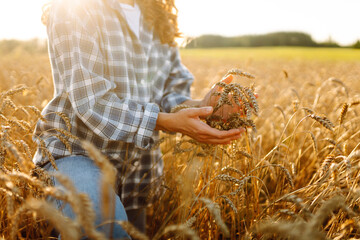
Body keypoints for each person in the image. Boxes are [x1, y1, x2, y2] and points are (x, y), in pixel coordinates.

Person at [35, 0, 243, 238]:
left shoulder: (156, 16)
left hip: (138, 171)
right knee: (103, 226)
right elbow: (90, 100)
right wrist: (162, 121)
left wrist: (203, 107)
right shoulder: (75, 7)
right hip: (75, 154)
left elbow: (168, 94)